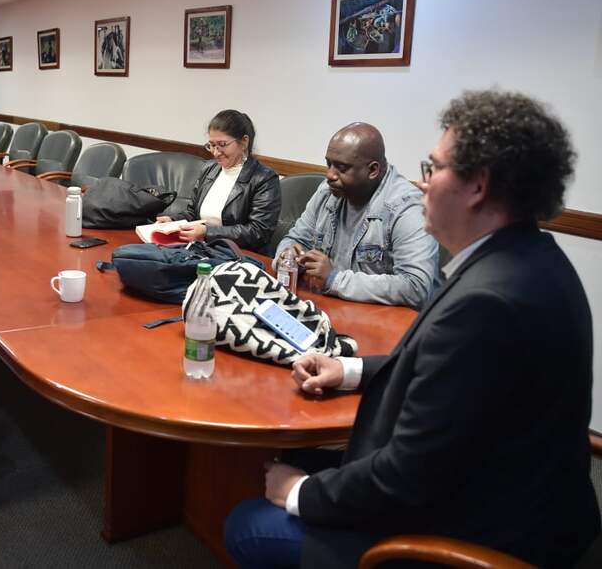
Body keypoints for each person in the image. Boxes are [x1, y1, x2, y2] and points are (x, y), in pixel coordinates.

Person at [224, 90, 599, 568]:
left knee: (248, 522)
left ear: (477, 187)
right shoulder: (525, 258)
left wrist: (300, 493)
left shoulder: (488, 302)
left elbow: (406, 478)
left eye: (433, 168)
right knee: (282, 463)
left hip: (478, 532)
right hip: (499, 482)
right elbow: (450, 374)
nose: (422, 185)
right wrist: (351, 369)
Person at [275, 122, 438, 309]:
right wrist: (287, 255)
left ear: (373, 170)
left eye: (342, 168)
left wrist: (334, 278)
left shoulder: (407, 207)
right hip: (332, 308)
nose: (329, 175)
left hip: (383, 321)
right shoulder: (328, 192)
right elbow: (295, 239)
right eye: (329, 164)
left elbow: (416, 287)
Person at [155, 109, 281, 254]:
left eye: (222, 144)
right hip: (202, 249)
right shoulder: (209, 169)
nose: (215, 152)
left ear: (244, 142)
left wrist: (207, 232)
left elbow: (258, 232)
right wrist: (173, 221)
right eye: (212, 145)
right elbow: (193, 213)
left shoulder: (264, 178)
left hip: (239, 255)